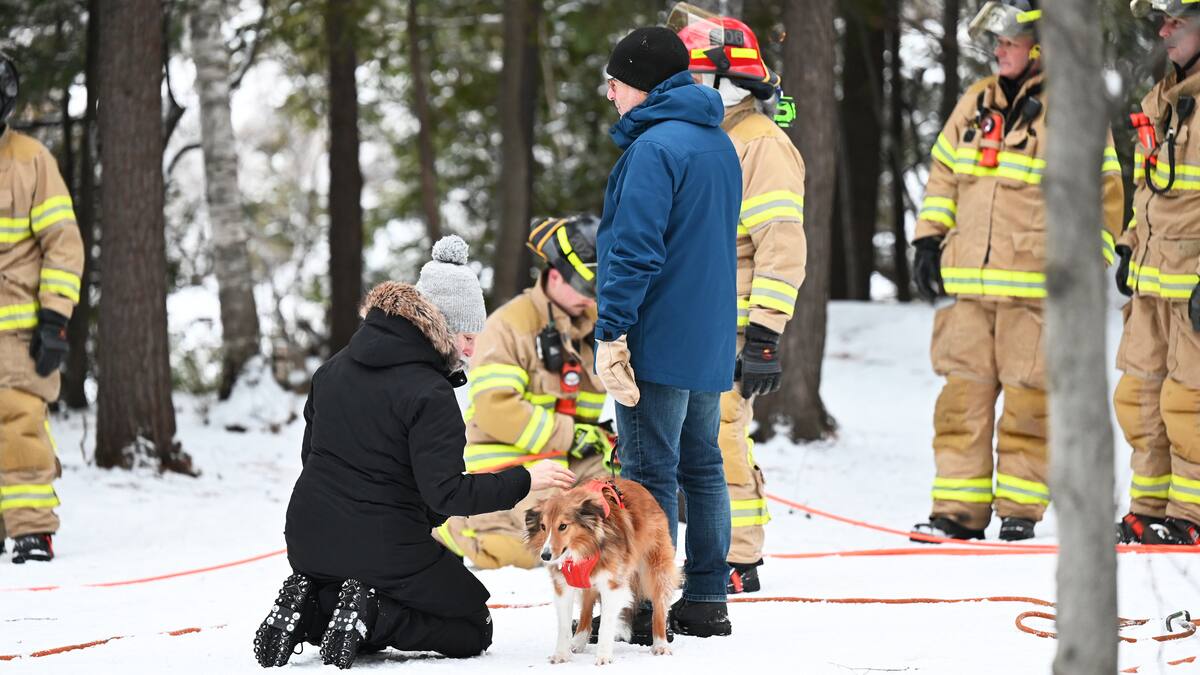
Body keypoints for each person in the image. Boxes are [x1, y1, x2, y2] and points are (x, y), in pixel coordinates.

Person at [253, 236, 576, 669]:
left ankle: (311, 609)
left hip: (306, 540)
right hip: (386, 546)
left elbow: (311, 458)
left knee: (352, 590)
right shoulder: (429, 392)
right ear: (441, 328)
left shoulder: (332, 369)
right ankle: (370, 614)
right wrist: (526, 479)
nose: (472, 350)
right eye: (467, 336)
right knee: (472, 626)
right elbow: (448, 494)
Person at [909, 0, 1124, 542]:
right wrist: (929, 240)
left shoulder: (1072, 102)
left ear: (1040, 47)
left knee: (1030, 406)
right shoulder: (976, 101)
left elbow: (1103, 192)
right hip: (968, 288)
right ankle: (955, 512)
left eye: (1009, 42)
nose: (999, 50)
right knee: (960, 402)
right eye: (998, 42)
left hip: (1035, 290)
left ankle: (1019, 513)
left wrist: (1087, 266)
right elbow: (944, 174)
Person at [594, 26, 741, 637]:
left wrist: (611, 330)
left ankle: (645, 607)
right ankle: (706, 598)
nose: (610, 94)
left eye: (616, 82)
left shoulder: (653, 149)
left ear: (642, 84)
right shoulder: (718, 143)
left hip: (656, 336)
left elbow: (634, 250)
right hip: (710, 337)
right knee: (703, 465)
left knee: (649, 472)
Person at [672, 3, 807, 594]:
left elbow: (781, 244)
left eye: (695, 76)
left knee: (721, 436)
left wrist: (765, 334)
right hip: (695, 320)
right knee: (695, 439)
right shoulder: (711, 137)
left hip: (732, 324)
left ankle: (738, 558)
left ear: (727, 80)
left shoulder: (760, 145)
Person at [434, 215, 614, 569]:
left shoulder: (594, 323)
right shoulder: (508, 326)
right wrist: (570, 434)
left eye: (598, 288)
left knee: (621, 509)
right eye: (585, 286)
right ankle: (451, 527)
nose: (590, 297)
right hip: (512, 469)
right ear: (555, 275)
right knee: (526, 551)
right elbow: (495, 409)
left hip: (568, 465)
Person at [1115, 0, 1200, 546]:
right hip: (1152, 281)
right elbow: (1147, 189)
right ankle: (1149, 511)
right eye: (1163, 21)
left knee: (1189, 402)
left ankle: (1191, 516)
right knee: (1139, 398)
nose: (1164, 30)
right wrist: (1128, 245)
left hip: (1192, 289)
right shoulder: (1161, 100)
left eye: (1177, 21)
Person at [0, 53, 84, 564]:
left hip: (19, 331)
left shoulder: (31, 160)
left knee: (20, 425)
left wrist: (55, 319)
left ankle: (31, 528)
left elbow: (63, 243)